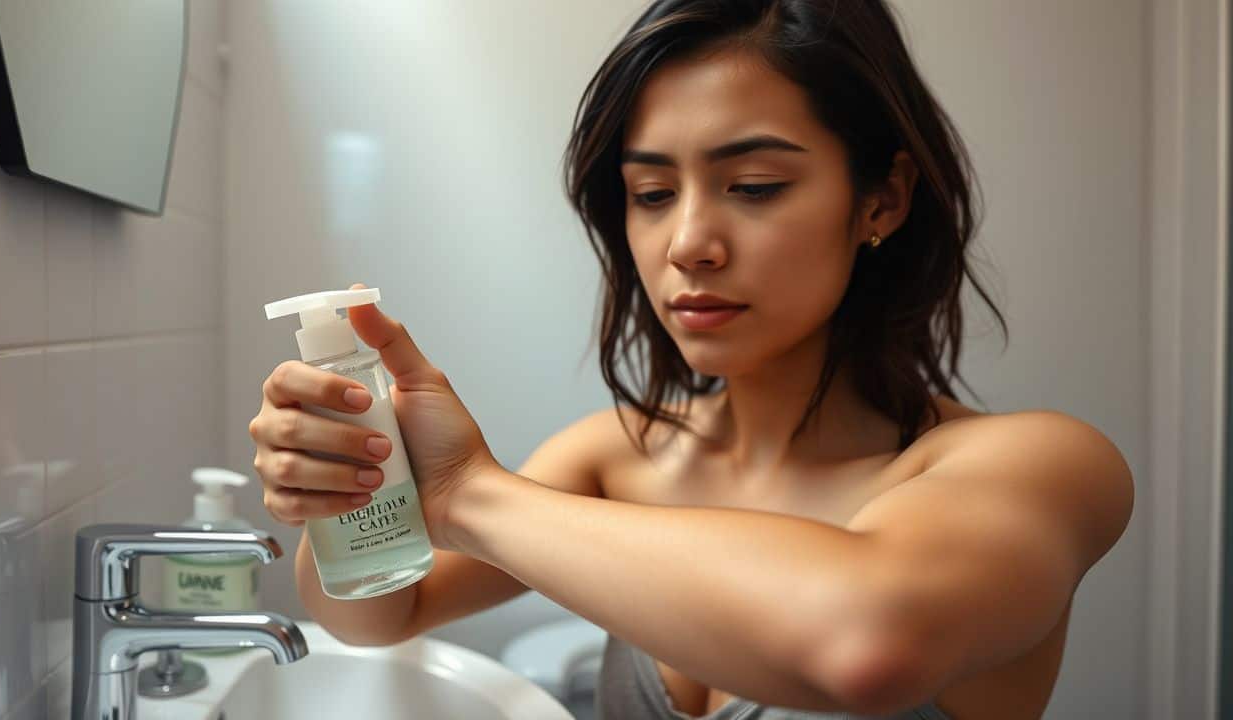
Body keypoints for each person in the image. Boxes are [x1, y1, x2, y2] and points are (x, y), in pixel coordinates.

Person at [247, 1, 1135, 717]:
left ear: (884, 198)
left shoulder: (1042, 467)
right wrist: (352, 494)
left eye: (753, 187)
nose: (689, 243)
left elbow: (867, 646)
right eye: (651, 193)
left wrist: (465, 494)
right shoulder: (615, 456)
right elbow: (375, 618)